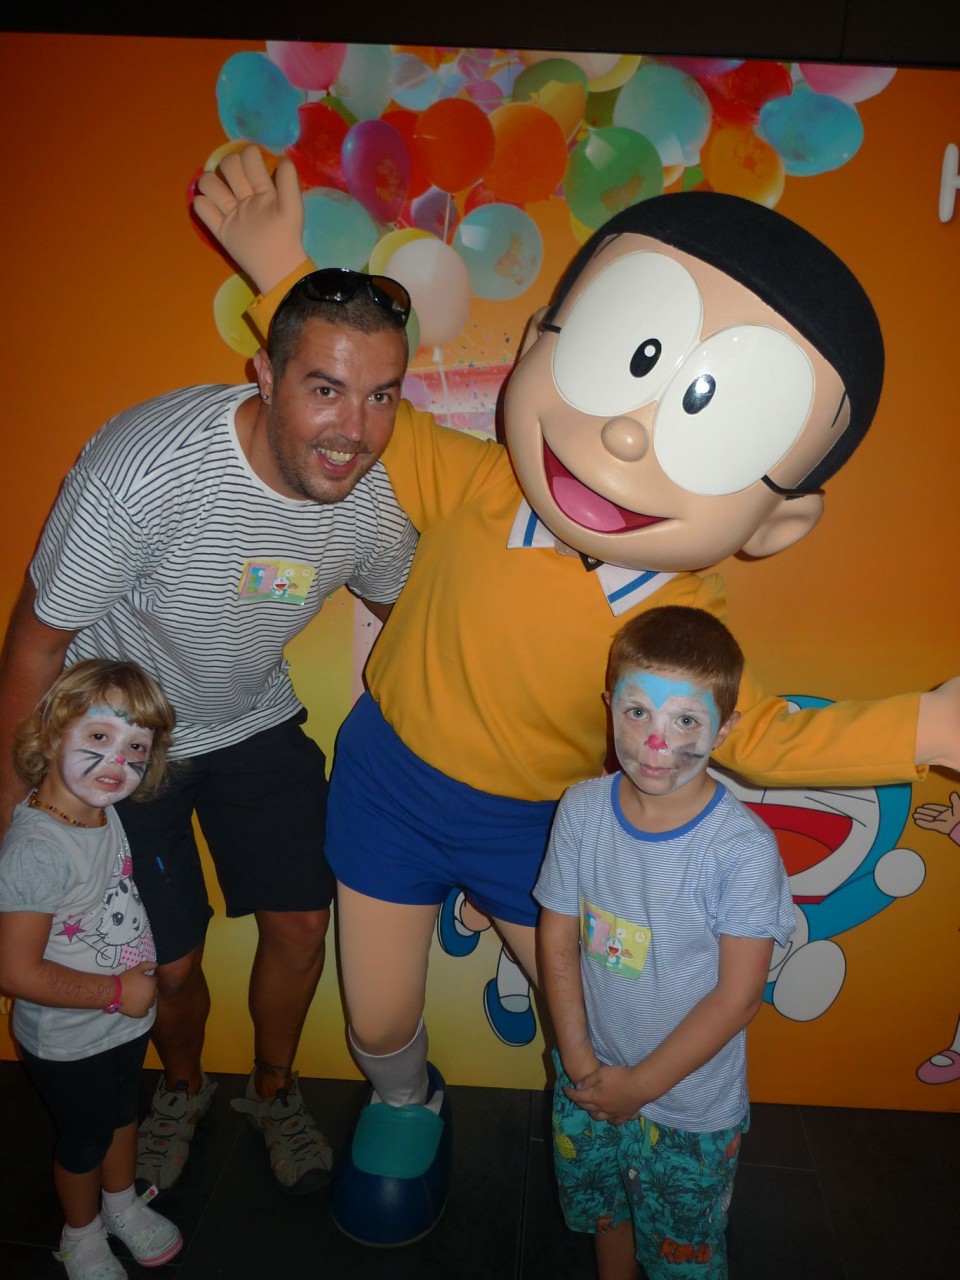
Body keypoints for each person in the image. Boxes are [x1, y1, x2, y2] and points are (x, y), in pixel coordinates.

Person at [192, 150, 960, 1247]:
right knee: (376, 1014)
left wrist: (929, 725)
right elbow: (366, 416)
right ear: (536, 347)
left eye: (709, 419)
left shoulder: (676, 620)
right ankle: (408, 1101)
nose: (631, 433)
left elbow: (764, 736)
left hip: (542, 831)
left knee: (587, 1022)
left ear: (779, 521)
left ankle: (616, 1143)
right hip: (389, 786)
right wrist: (281, 270)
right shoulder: (477, 482)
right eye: (621, 360)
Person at [0, 267, 418, 1195]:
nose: (353, 431)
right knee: (171, 963)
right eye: (325, 389)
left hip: (252, 715)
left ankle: (272, 1089)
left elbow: (412, 621)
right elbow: (36, 641)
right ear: (265, 375)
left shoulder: (373, 499)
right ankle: (183, 1088)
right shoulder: (145, 468)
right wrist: (11, 817)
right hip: (125, 737)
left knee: (303, 924)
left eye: (381, 396)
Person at [534, 607, 795, 1280]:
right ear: (609, 707)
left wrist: (639, 1087)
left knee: (684, 1254)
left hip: (688, 1108)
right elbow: (558, 933)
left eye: (685, 721)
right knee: (606, 1214)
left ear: (724, 728)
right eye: (638, 713)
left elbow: (738, 999)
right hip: (589, 1078)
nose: (655, 743)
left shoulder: (742, 850)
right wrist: (580, 1060)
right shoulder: (581, 809)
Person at [0, 660, 182, 1280]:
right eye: (100, 736)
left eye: (137, 748)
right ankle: (80, 1235)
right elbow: (15, 971)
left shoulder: (99, 809)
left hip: (122, 1021)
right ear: (53, 735)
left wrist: (127, 999)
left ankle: (122, 1204)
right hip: (69, 1038)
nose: (118, 761)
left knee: (123, 1114)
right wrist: (115, 991)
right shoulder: (37, 850)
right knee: (84, 1140)